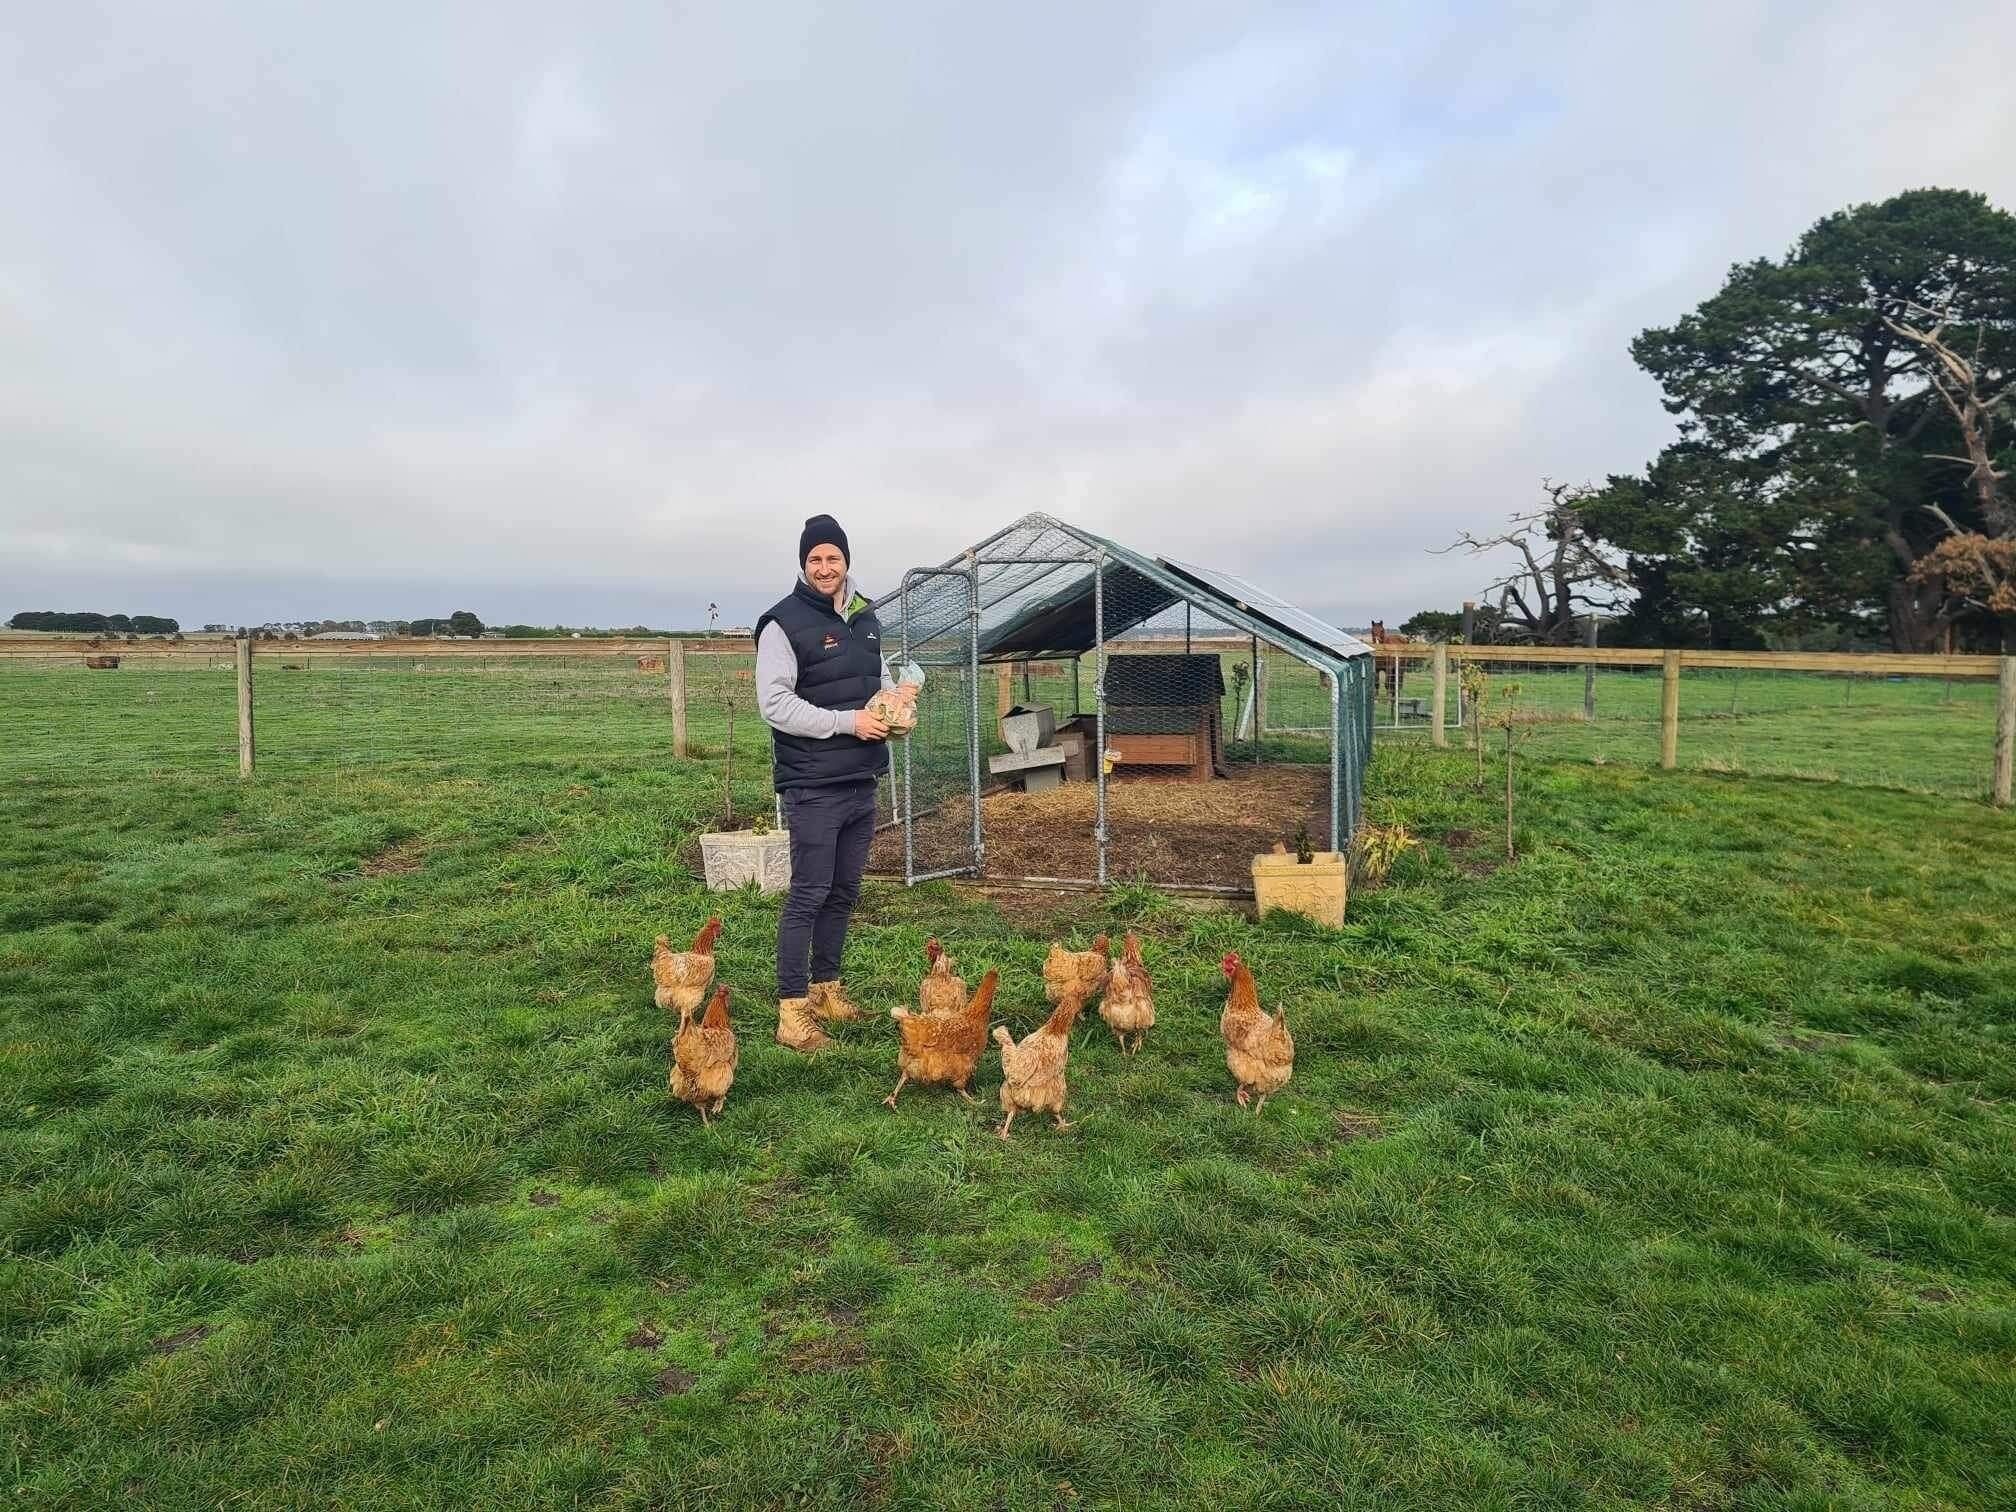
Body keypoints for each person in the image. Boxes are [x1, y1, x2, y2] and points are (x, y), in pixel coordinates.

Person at [753, 515, 911, 1051]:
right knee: (808, 894)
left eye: (833, 558)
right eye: (815, 559)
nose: (825, 567)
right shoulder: (782, 623)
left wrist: (894, 704)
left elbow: (874, 679)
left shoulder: (866, 617)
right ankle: (792, 1011)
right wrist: (849, 722)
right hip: (813, 784)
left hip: (860, 779)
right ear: (803, 564)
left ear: (846, 561)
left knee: (843, 892)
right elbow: (774, 704)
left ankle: (826, 989)